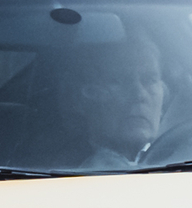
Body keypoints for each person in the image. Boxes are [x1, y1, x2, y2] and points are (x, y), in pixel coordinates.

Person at [59, 34, 167, 169]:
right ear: (82, 99)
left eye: (150, 80)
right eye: (119, 81)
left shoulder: (184, 156)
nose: (139, 95)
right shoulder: (64, 173)